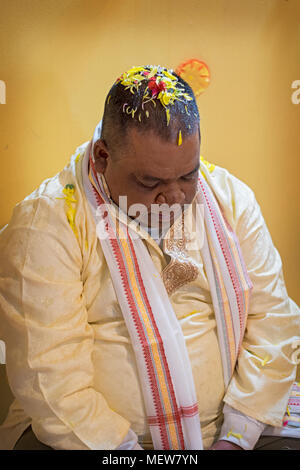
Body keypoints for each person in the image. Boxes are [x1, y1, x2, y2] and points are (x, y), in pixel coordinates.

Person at [0, 65, 299, 451]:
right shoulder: (48, 223)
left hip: (235, 427)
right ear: (103, 157)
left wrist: (237, 437)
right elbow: (52, 382)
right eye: (151, 183)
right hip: (92, 441)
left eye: (187, 176)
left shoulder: (229, 199)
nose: (174, 197)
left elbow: (273, 320)